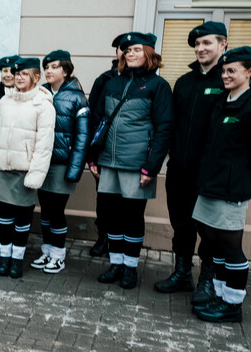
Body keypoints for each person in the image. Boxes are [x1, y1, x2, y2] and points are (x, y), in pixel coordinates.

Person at [192, 46, 251, 323]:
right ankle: (219, 295)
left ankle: (233, 305)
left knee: (230, 248)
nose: (225, 75)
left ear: (249, 72)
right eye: (224, 70)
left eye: (231, 71)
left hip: (231, 191)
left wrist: (246, 185)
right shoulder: (222, 102)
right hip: (210, 186)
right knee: (213, 245)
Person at [88, 32, 173, 289]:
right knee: (111, 216)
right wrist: (93, 157)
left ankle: (130, 268)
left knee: (132, 218)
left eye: (136, 49)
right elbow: (97, 120)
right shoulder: (112, 83)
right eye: (127, 50)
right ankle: (115, 263)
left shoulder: (158, 86)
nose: (130, 54)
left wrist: (152, 165)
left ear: (148, 52)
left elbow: (164, 128)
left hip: (137, 164)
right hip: (108, 162)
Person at [154, 22, 228, 300]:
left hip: (209, 174)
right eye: (197, 44)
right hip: (180, 171)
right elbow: (171, 125)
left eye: (207, 43)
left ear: (222, 45)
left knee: (209, 231)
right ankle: (182, 274)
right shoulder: (184, 83)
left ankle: (207, 281)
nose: (200, 48)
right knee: (181, 225)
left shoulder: (227, 80)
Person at [0, 57, 55, 278]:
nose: (19, 77)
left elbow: (44, 145)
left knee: (21, 220)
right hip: (3, 170)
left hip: (24, 173)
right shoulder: (5, 101)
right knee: (3, 219)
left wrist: (35, 174)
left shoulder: (43, 105)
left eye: (25, 74)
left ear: (36, 77)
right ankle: (5, 257)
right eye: (17, 74)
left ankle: (17, 260)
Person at [29, 50, 90, 274]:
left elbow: (82, 137)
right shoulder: (41, 93)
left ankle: (58, 255)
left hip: (62, 164)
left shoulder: (76, 96)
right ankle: (47, 250)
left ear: (65, 70)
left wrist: (74, 170)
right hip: (42, 163)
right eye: (46, 67)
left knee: (56, 211)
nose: (49, 71)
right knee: (45, 210)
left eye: (54, 67)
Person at [86, 35, 123, 257]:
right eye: (122, 49)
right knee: (104, 200)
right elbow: (94, 117)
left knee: (125, 204)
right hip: (103, 152)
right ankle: (103, 238)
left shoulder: (147, 80)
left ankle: (120, 244)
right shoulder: (105, 79)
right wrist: (91, 156)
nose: (125, 53)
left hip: (129, 155)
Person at [0, 54, 21, 258]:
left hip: (17, 159)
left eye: (11, 71)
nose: (8, 75)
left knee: (16, 202)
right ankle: (0, 240)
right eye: (4, 71)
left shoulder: (25, 94)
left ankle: (15, 242)